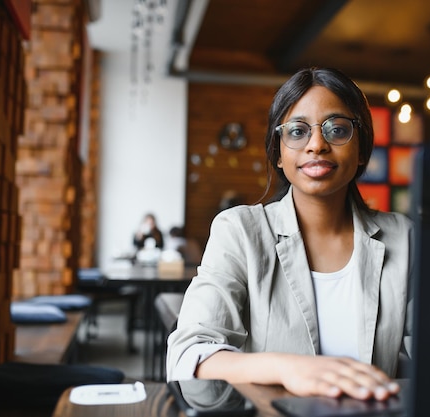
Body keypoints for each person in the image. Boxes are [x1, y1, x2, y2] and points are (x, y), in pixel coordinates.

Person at [166, 67, 413, 402]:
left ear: (362, 149)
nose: (316, 145)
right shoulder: (240, 231)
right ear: (278, 154)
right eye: (297, 132)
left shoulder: (406, 238)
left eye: (337, 129)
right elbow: (188, 355)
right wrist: (289, 368)